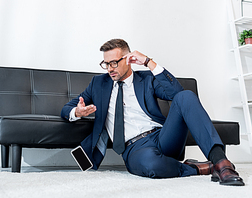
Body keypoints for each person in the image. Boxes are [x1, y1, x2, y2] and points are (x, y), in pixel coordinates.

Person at [61, 39, 244, 186]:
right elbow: (66, 109)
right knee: (152, 166)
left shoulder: (146, 79)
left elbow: (176, 94)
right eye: (106, 63)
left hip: (162, 137)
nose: (110, 68)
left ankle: (221, 163)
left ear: (128, 59)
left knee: (186, 96)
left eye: (114, 63)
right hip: (134, 148)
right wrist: (77, 111)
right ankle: (199, 168)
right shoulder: (98, 83)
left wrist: (149, 62)